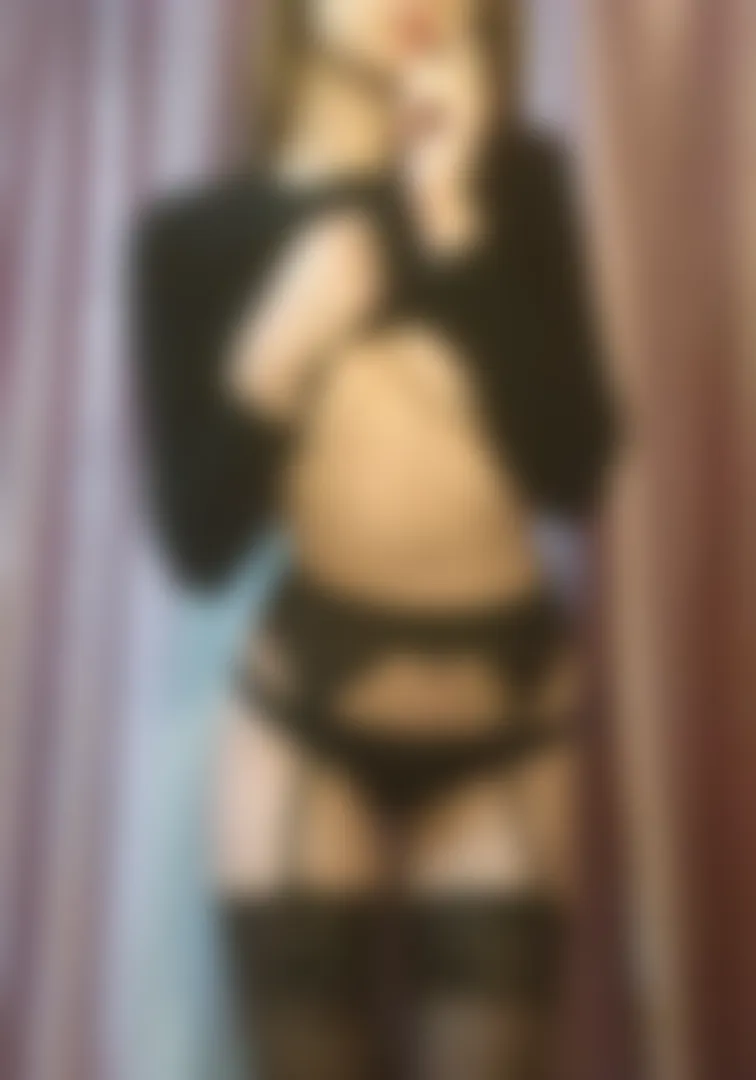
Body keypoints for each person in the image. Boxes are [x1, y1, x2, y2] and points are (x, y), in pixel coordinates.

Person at [132, 1, 616, 1076]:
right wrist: (274, 352)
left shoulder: (519, 184)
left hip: (510, 711)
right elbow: (198, 544)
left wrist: (453, 224)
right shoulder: (194, 239)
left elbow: (574, 469)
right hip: (304, 715)